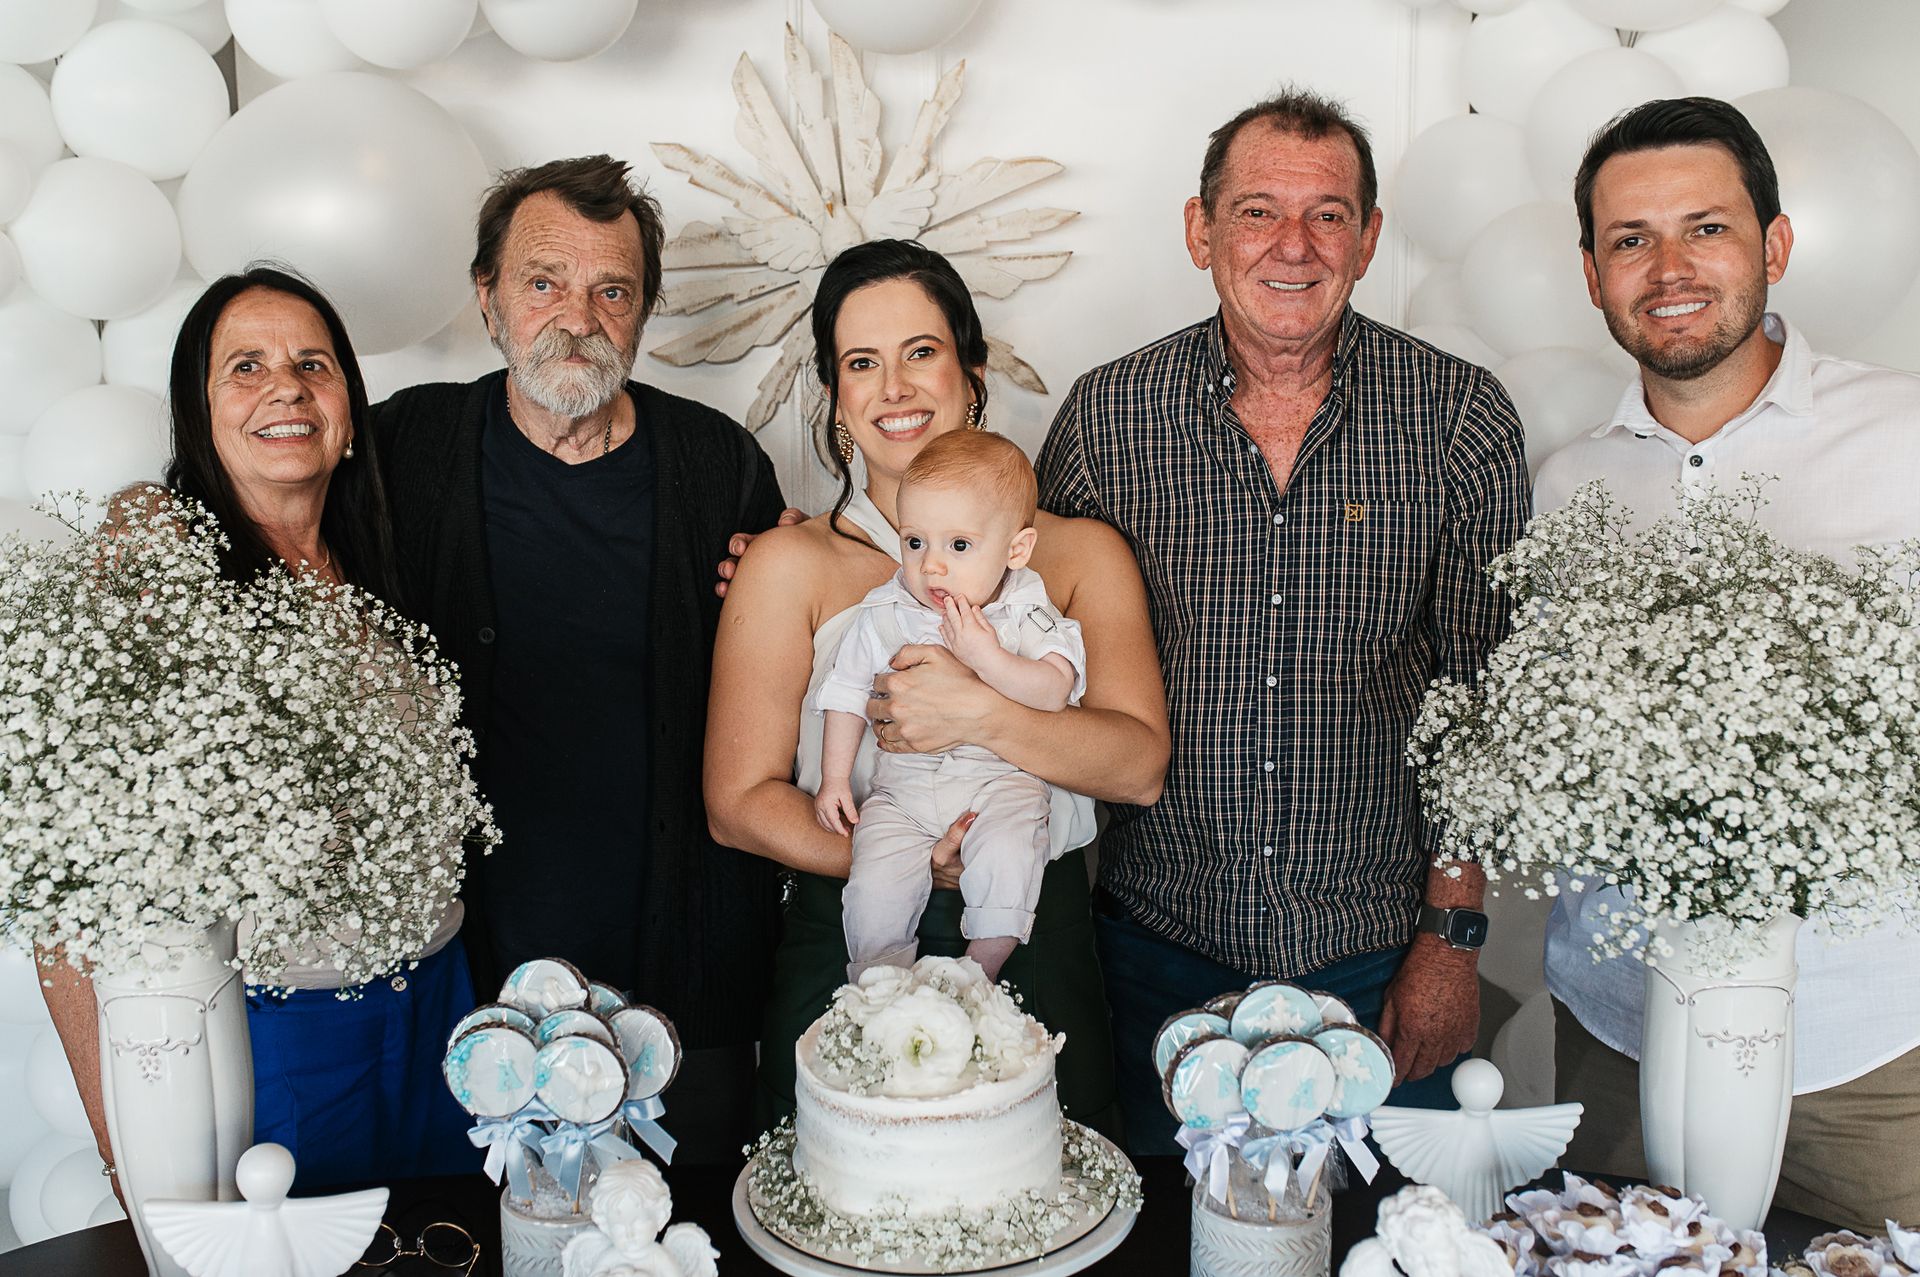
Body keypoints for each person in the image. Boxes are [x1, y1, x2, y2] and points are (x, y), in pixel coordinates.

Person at [1034, 88, 1531, 1153]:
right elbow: (1027, 635)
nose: (1293, 246)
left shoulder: (1457, 415)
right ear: (1199, 228)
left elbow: (1488, 700)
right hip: (1156, 941)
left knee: (1395, 1248)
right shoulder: (1106, 420)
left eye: (1329, 213)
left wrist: (1451, 938)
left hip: (1381, 949)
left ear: (1370, 236)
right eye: (1258, 210)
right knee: (1173, 1242)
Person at [1536, 96, 1920, 1231]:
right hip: (1618, 1034)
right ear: (1592, 271)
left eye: (1705, 227)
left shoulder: (1905, 440)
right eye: (1629, 239)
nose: (1669, 268)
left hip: (1865, 1061)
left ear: (1776, 245)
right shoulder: (1567, 487)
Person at [369, 155, 788, 1161]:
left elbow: (802, 665)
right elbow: (260, 512)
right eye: (543, 281)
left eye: (613, 289)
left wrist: (799, 571)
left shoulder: (718, 465)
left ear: (643, 312)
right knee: (480, 1233)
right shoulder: (405, 450)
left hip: (685, 975)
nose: (578, 316)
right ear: (488, 298)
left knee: (684, 1240)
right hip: (468, 980)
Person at [705, 239, 1171, 1133]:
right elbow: (736, 803)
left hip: (1041, 925)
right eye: (861, 363)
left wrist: (984, 712)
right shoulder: (786, 562)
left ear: (972, 370)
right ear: (835, 395)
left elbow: (1138, 766)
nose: (895, 387)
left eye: (921, 352)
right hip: (846, 926)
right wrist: (911, 859)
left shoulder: (1078, 554)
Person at [41, 266, 476, 1190]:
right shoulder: (159, 585)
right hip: (280, 1033)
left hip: (443, 1007)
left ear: (350, 413)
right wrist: (128, 1140)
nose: (285, 385)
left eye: (312, 365)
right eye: (245, 366)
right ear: (199, 415)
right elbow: (69, 907)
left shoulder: (378, 578)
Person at [814, 430, 1086, 983]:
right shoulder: (884, 611)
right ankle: (878, 980)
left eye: (958, 546)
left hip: (998, 782)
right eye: (916, 542)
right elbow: (844, 693)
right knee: (873, 876)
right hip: (904, 786)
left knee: (1012, 851)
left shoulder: (1024, 612)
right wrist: (835, 778)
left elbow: (1054, 691)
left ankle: (980, 970)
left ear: (1016, 549)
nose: (932, 566)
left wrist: (987, 657)